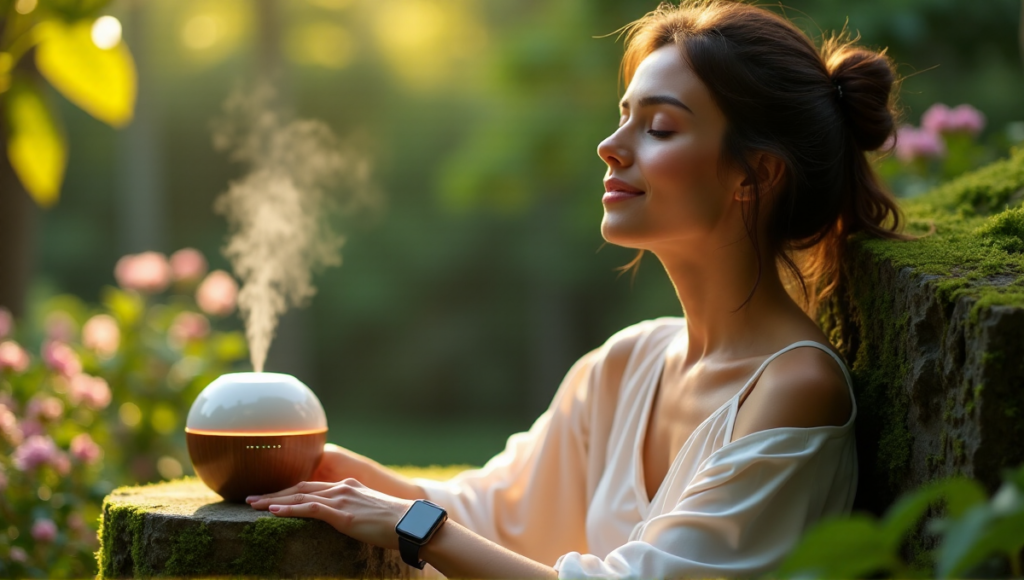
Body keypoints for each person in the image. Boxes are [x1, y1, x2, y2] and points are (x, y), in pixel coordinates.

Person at [245, 1, 912, 577]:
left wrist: (413, 527)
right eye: (623, 117)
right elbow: (494, 512)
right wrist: (332, 468)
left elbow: (451, 531)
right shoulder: (626, 364)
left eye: (659, 128)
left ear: (757, 175)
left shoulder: (793, 390)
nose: (609, 146)